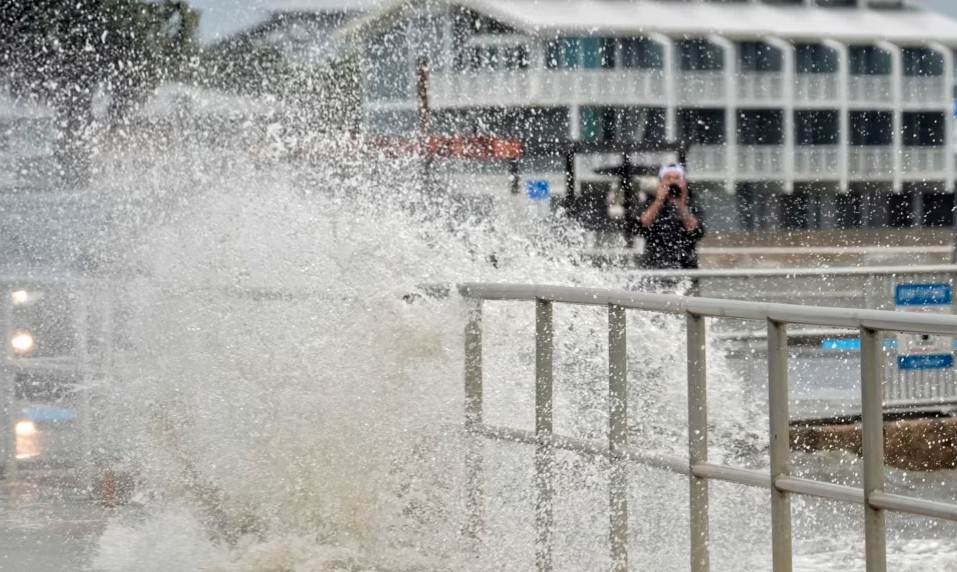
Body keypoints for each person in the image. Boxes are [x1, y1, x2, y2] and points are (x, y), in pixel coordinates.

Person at [632, 162, 705, 270]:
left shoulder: (692, 202)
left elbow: (694, 230)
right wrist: (659, 201)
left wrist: (682, 206)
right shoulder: (650, 201)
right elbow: (641, 226)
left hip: (685, 266)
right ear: (660, 181)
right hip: (654, 265)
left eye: (677, 177)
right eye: (668, 178)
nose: (673, 181)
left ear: (684, 181)